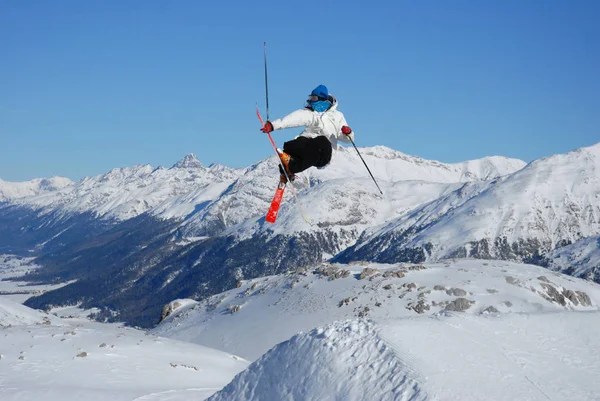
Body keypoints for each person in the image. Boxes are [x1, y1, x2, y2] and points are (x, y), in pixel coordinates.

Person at [260, 84, 355, 182]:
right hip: (310, 146)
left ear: (323, 99)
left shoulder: (337, 116)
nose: (311, 101)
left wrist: (348, 133)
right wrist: (273, 125)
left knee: (322, 141)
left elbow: (348, 139)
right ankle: (286, 169)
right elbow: (293, 119)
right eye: (310, 98)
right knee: (290, 145)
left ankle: (291, 168)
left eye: (314, 98)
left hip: (325, 153)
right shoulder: (310, 113)